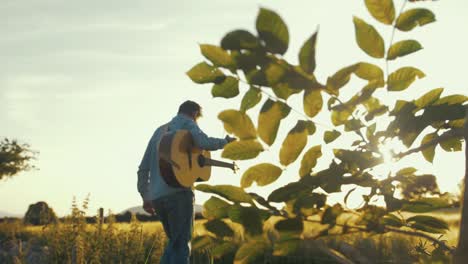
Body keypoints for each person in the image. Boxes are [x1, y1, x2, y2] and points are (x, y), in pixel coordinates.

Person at [137, 100, 235, 264]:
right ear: (195, 113)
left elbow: (143, 168)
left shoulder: (158, 132)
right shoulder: (188, 123)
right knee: (181, 245)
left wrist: (145, 196)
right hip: (179, 194)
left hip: (157, 198)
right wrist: (225, 142)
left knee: (174, 244)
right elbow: (204, 143)